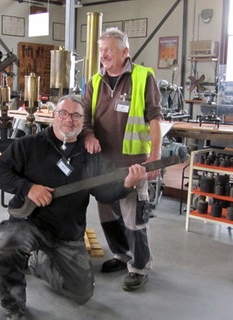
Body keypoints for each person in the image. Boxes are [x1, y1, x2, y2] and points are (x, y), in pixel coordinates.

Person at [0, 95, 147, 320]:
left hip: (67, 233)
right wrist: (28, 188)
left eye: (76, 115)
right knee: (9, 244)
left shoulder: (90, 156)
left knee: (82, 292)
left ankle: (38, 262)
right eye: (63, 113)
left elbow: (103, 192)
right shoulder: (29, 145)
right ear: (53, 116)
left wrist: (126, 184)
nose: (69, 120)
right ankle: (14, 308)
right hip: (29, 223)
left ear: (83, 122)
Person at [82, 27, 163, 291]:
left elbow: (154, 118)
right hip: (102, 163)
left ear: (125, 52)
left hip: (134, 163)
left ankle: (139, 267)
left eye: (109, 50)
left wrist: (155, 156)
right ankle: (120, 254)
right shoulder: (94, 81)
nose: (103, 55)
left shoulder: (143, 77)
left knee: (134, 218)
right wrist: (89, 134)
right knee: (109, 215)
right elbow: (85, 117)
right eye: (101, 50)